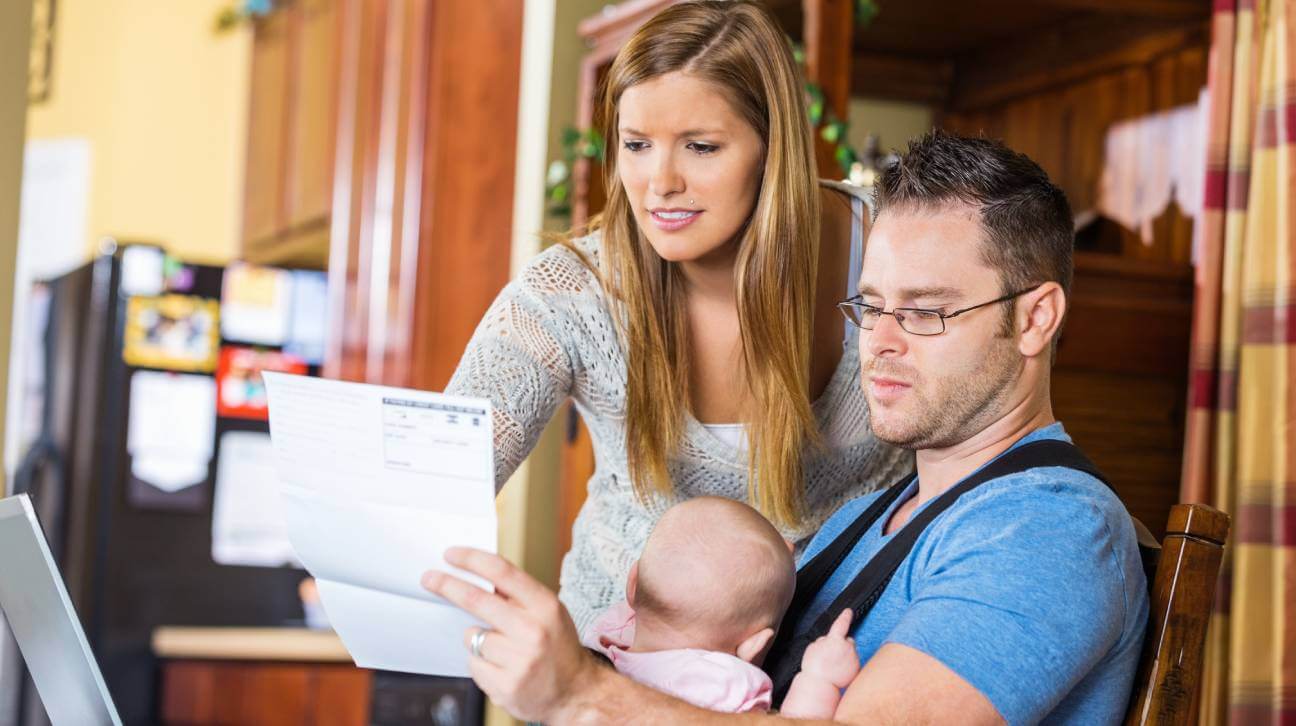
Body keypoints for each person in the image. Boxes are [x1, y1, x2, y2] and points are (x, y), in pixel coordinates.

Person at [422, 131, 1151, 725]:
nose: (882, 342)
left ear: (1034, 318)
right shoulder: (871, 516)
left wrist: (583, 692)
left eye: (926, 312)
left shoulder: (1048, 529)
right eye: (871, 307)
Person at [443, 0, 909, 637]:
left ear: (773, 149)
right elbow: (440, 475)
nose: (659, 182)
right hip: (624, 662)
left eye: (700, 147)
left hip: (838, 663)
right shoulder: (572, 294)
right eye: (636, 145)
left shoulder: (896, 251)